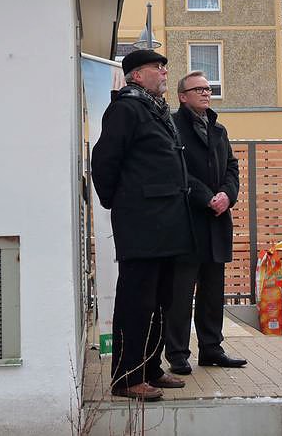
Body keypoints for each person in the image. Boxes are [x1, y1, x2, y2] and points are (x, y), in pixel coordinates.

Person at [91, 49, 195, 401]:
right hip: (142, 223)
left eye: (164, 67)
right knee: (136, 302)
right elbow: (104, 161)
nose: (164, 72)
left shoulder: (155, 109)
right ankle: (127, 377)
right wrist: (120, 203)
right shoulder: (126, 109)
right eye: (157, 67)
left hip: (167, 223)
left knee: (161, 300)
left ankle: (150, 368)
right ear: (136, 74)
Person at [165, 71, 247, 375]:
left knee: (213, 293)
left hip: (217, 222)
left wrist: (227, 194)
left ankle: (211, 348)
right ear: (182, 96)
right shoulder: (172, 127)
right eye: (198, 89)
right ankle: (177, 353)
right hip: (186, 222)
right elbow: (176, 170)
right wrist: (206, 197)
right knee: (180, 294)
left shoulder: (218, 129)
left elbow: (232, 167)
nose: (205, 92)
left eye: (208, 88)